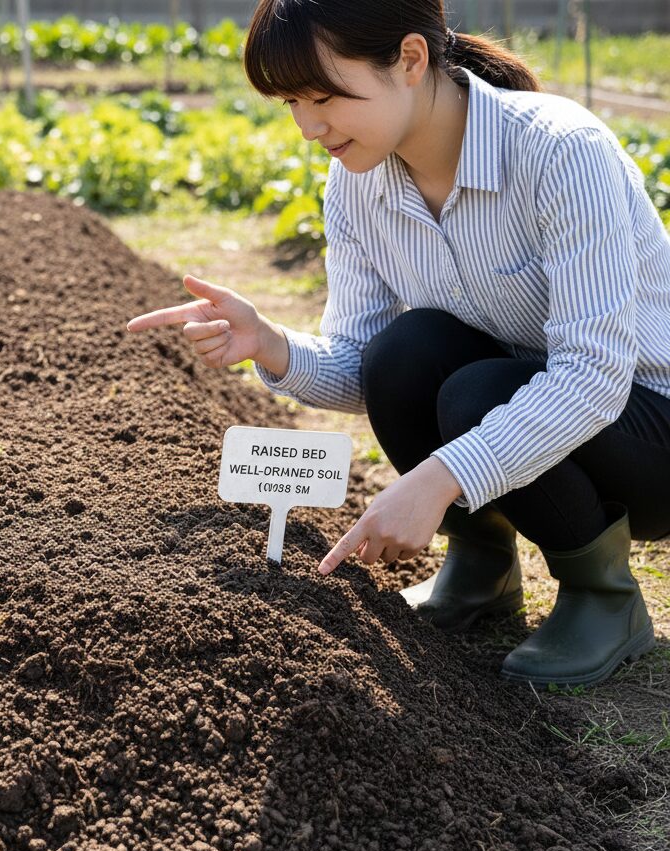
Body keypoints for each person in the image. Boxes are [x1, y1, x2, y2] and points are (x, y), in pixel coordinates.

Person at [125, 0, 670, 690]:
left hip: (651, 433)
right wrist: (270, 345)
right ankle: (481, 565)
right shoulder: (359, 181)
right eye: (292, 100)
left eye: (324, 95)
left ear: (410, 60)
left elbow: (593, 376)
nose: (307, 126)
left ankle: (604, 597)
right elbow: (364, 369)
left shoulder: (559, 150)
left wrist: (440, 480)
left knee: (479, 391)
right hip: (542, 421)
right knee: (404, 351)